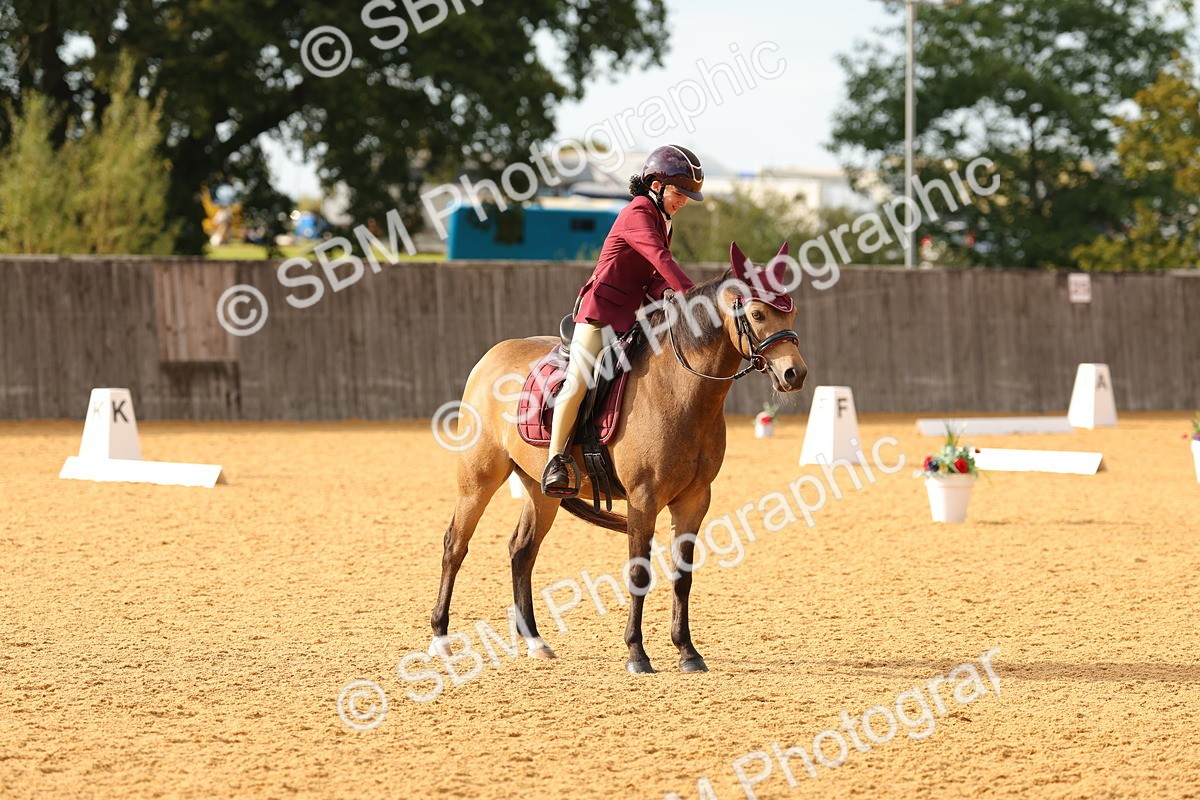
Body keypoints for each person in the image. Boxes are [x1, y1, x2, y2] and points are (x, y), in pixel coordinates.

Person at [541, 144, 705, 497]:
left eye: (688, 195)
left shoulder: (664, 219)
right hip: (600, 313)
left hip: (632, 316)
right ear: (657, 186)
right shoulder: (638, 212)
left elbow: (654, 275)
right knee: (579, 379)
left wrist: (671, 295)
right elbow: (659, 258)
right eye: (680, 193)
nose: (684, 201)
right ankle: (555, 460)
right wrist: (693, 296)